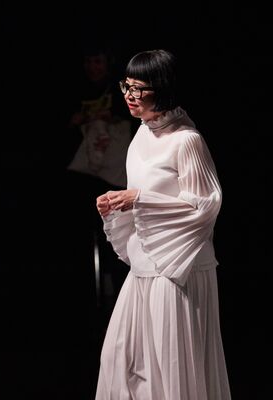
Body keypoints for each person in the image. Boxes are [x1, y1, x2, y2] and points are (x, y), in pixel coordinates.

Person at [94, 49, 231, 399]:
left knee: (169, 366)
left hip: (177, 268)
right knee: (121, 359)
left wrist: (137, 198)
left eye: (138, 88)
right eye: (126, 86)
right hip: (144, 266)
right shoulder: (140, 135)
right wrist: (118, 203)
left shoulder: (187, 140)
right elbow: (144, 197)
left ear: (163, 89)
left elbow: (205, 205)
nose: (129, 95)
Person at [64, 42, 135, 307]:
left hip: (116, 173)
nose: (92, 68)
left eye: (98, 62)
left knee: (117, 236)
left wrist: (113, 115)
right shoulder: (78, 90)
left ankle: (119, 296)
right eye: (88, 62)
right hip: (86, 173)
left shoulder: (120, 89)